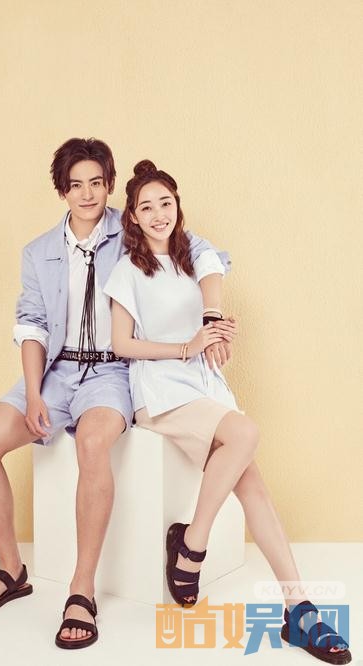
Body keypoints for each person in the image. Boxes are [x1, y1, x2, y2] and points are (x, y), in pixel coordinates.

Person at [0, 139, 231, 650]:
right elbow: (32, 325)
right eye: (76, 184)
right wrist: (34, 393)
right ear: (62, 190)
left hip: (112, 372)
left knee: (91, 442)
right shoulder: (38, 252)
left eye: (97, 183)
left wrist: (211, 317)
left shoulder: (131, 231)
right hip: (55, 371)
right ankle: (11, 570)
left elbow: (200, 251)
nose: (87, 194)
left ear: (109, 185)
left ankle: (81, 589)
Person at [103, 160, 351, 664]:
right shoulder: (128, 270)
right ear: (132, 216)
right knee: (246, 434)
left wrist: (216, 336)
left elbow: (210, 296)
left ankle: (298, 610)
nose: (158, 214)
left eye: (165, 203)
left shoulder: (194, 253)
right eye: (146, 207)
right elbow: (121, 343)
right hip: (160, 392)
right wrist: (186, 347)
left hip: (204, 386)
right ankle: (193, 546)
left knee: (254, 485)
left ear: (178, 205)